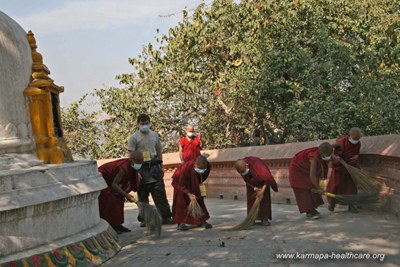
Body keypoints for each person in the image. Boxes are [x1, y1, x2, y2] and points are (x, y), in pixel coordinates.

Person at [128, 114, 172, 226]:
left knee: (160, 193)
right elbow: (131, 155)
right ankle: (144, 219)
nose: (144, 126)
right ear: (138, 124)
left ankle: (166, 216)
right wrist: (135, 172)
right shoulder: (134, 138)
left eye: (146, 123)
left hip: (154, 167)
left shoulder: (154, 135)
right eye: (142, 124)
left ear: (149, 123)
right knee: (143, 195)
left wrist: (161, 167)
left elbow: (159, 151)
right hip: (141, 168)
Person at [98, 151, 143, 234]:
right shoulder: (124, 168)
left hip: (112, 182)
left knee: (119, 198)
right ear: (132, 161)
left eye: (141, 163)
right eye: (138, 163)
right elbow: (114, 185)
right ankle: (112, 226)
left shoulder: (132, 167)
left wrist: (124, 194)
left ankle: (118, 224)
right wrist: (126, 194)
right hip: (103, 179)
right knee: (111, 199)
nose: (139, 165)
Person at [289, 142, 333, 219]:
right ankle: (309, 211)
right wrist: (319, 188)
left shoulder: (320, 153)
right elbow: (312, 176)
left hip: (305, 170)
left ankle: (313, 209)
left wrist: (318, 187)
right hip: (297, 170)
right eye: (327, 155)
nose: (328, 157)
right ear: (322, 153)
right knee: (304, 189)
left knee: (312, 187)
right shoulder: (313, 157)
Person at [172, 155, 212, 230]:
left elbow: (203, 176)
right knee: (181, 202)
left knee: (198, 199)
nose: (200, 170)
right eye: (198, 168)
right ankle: (180, 223)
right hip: (180, 183)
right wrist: (189, 193)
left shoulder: (208, 166)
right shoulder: (186, 167)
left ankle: (202, 220)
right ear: (195, 164)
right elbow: (180, 184)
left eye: (202, 169)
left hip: (194, 182)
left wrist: (197, 186)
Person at [234, 157, 278, 226]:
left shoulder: (258, 165)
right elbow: (245, 178)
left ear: (247, 165)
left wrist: (262, 190)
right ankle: (252, 218)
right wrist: (254, 187)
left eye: (244, 171)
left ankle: (264, 219)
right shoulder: (240, 167)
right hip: (251, 183)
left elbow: (267, 178)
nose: (243, 173)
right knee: (251, 200)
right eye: (242, 172)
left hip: (262, 182)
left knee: (264, 200)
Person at [327, 127, 362, 212]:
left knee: (352, 187)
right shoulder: (341, 142)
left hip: (351, 168)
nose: (356, 140)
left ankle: (352, 205)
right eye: (355, 138)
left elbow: (357, 152)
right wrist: (334, 156)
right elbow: (328, 148)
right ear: (350, 136)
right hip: (340, 167)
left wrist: (357, 156)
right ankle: (332, 204)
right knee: (336, 185)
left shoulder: (358, 143)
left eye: (358, 138)